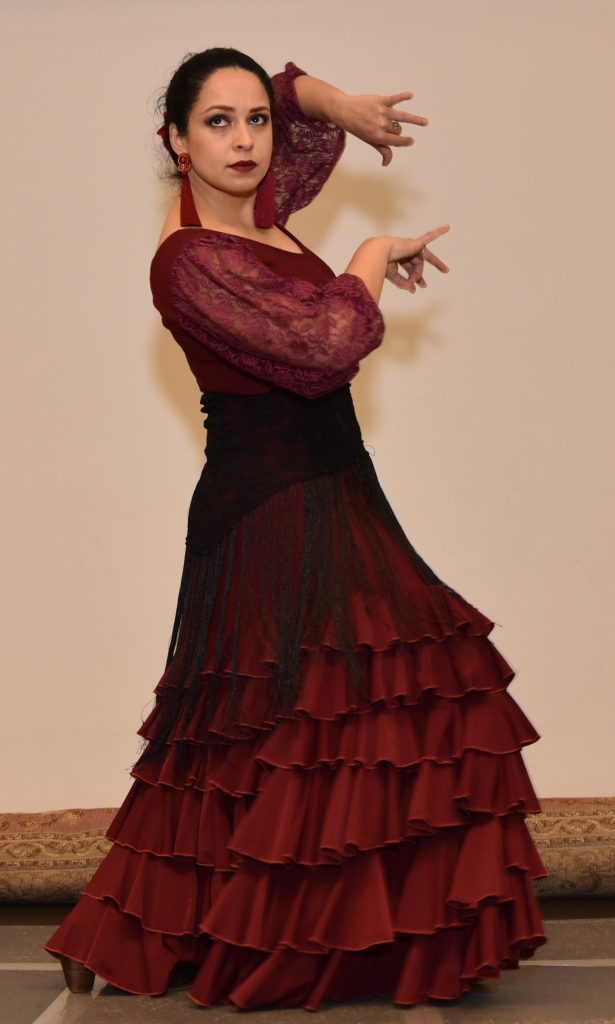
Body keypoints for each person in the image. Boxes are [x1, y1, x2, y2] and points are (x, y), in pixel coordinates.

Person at [44, 48, 549, 1011]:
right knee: (321, 720)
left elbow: (285, 109)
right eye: (216, 123)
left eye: (255, 122)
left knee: (281, 734)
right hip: (272, 512)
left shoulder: (260, 216)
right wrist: (370, 256)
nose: (244, 140)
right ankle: (179, 934)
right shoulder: (190, 260)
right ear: (176, 142)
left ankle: (156, 935)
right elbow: (324, 349)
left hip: (331, 490)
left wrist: (331, 103)